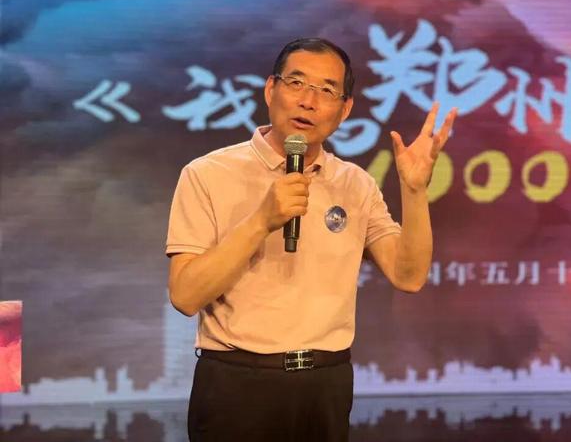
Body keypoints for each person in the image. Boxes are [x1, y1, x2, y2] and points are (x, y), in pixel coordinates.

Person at [166, 38, 457, 442]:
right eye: (297, 83)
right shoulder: (207, 174)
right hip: (237, 383)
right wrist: (261, 221)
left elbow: (408, 276)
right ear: (271, 89)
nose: (308, 101)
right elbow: (185, 296)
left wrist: (414, 190)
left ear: (345, 108)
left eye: (326, 90)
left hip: (325, 384)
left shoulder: (355, 184)